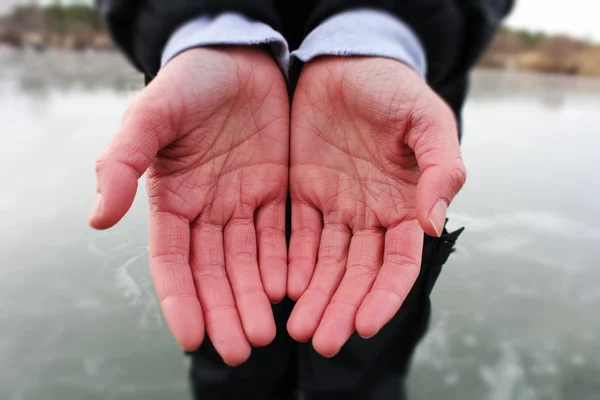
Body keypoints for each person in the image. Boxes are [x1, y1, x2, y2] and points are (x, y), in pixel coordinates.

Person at [90, 1, 514, 398]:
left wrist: (387, 31)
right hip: (215, 157)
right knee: (232, 356)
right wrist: (203, 22)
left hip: (379, 165)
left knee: (361, 351)